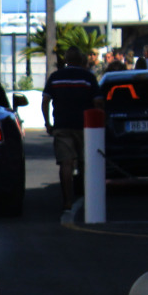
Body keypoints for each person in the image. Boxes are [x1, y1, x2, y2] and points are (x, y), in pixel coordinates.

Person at [41, 47, 102, 212]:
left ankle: (67, 200)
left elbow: (45, 100)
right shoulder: (88, 77)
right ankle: (87, 198)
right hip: (85, 127)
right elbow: (97, 102)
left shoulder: (55, 77)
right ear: (81, 60)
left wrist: (48, 123)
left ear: (66, 60)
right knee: (85, 163)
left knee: (66, 163)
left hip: (62, 125)